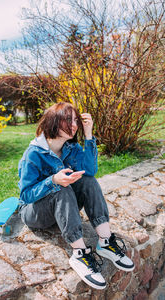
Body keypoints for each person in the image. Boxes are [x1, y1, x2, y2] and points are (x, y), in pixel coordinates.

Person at [18, 102, 134, 290]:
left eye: (76, 121)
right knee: (60, 187)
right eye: (68, 119)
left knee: (88, 181)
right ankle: (79, 253)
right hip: (34, 213)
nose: (74, 125)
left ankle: (105, 241)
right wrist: (53, 180)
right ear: (54, 121)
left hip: (61, 210)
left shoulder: (71, 148)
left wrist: (88, 136)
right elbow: (26, 195)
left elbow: (90, 170)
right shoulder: (34, 153)